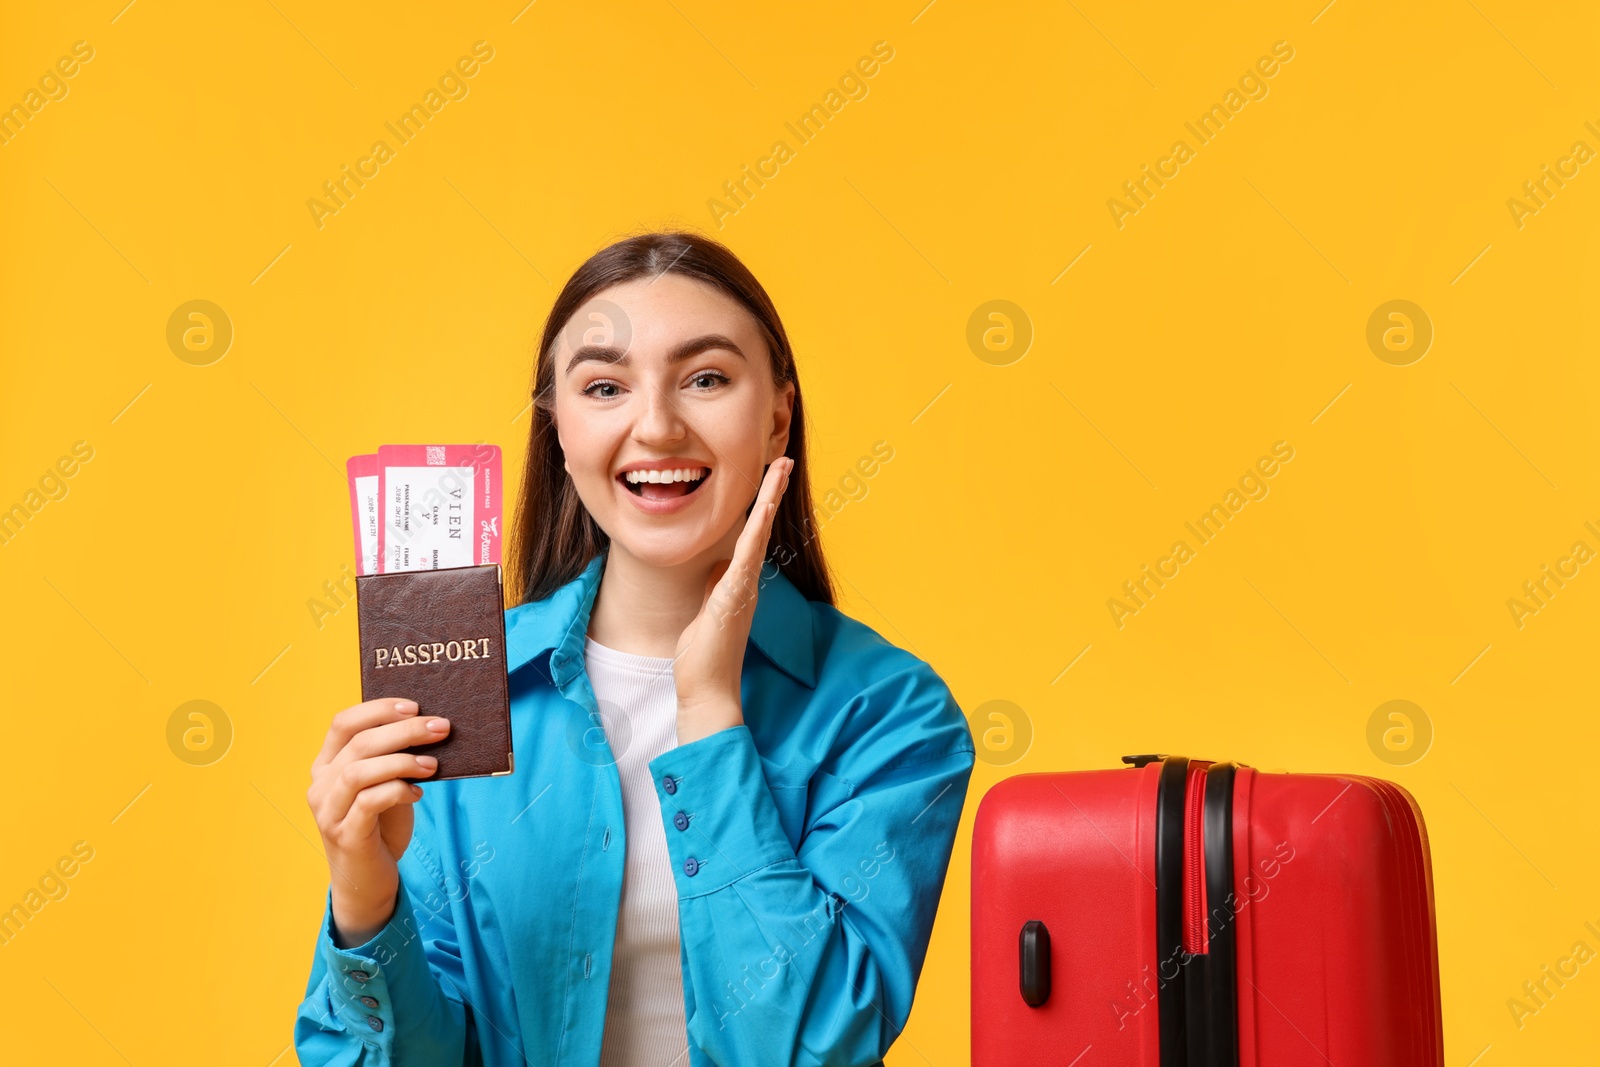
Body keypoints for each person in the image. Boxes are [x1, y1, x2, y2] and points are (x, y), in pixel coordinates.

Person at [294, 231, 975, 1066]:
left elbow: (810, 1046)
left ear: (777, 415)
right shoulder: (467, 690)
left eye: (707, 378)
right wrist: (363, 886)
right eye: (606, 386)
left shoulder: (889, 714)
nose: (656, 426)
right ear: (560, 431)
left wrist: (711, 713)